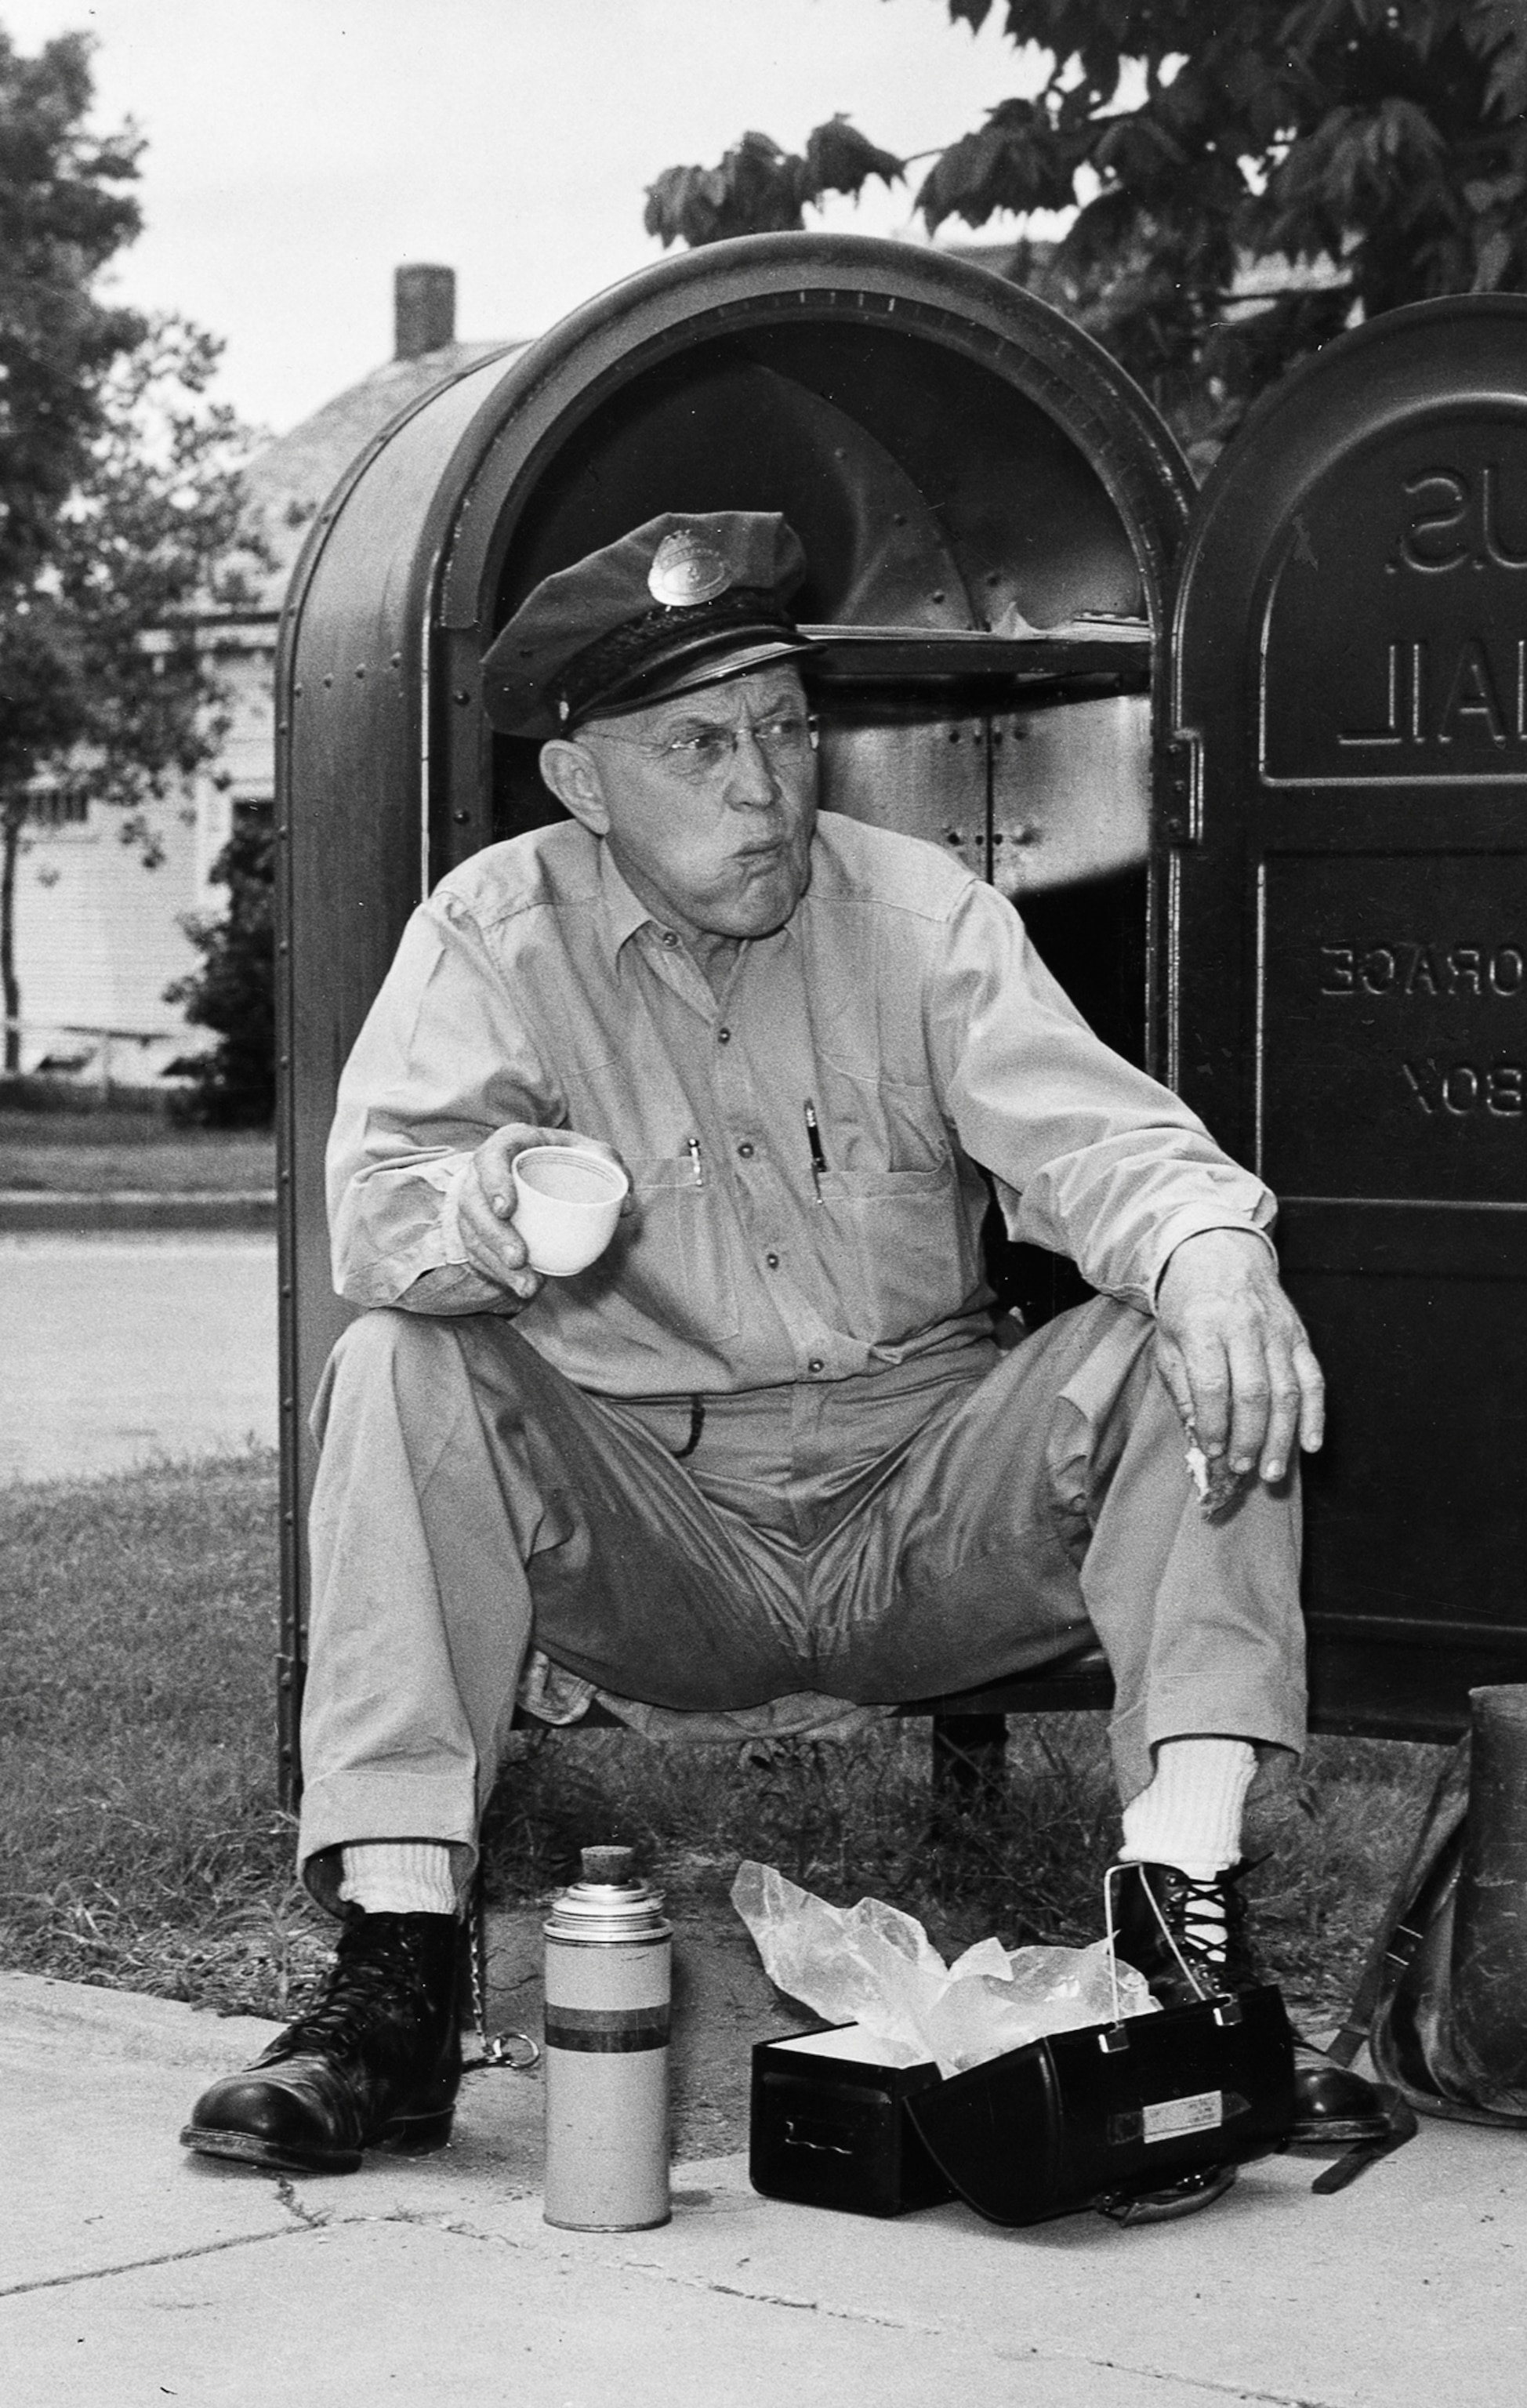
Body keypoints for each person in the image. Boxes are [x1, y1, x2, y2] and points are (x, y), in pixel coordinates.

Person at [182, 512, 1325, 2177]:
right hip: (663, 1533)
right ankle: (398, 1974)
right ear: (582, 784)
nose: (765, 785)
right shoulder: (494, 934)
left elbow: (1101, 1143)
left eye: (786, 729)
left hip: (921, 1508)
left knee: (1188, 1330)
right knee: (397, 1366)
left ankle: (1182, 1926)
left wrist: (1212, 1245)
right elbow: (382, 1217)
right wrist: (486, 1213)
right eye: (699, 744)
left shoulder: (921, 915)